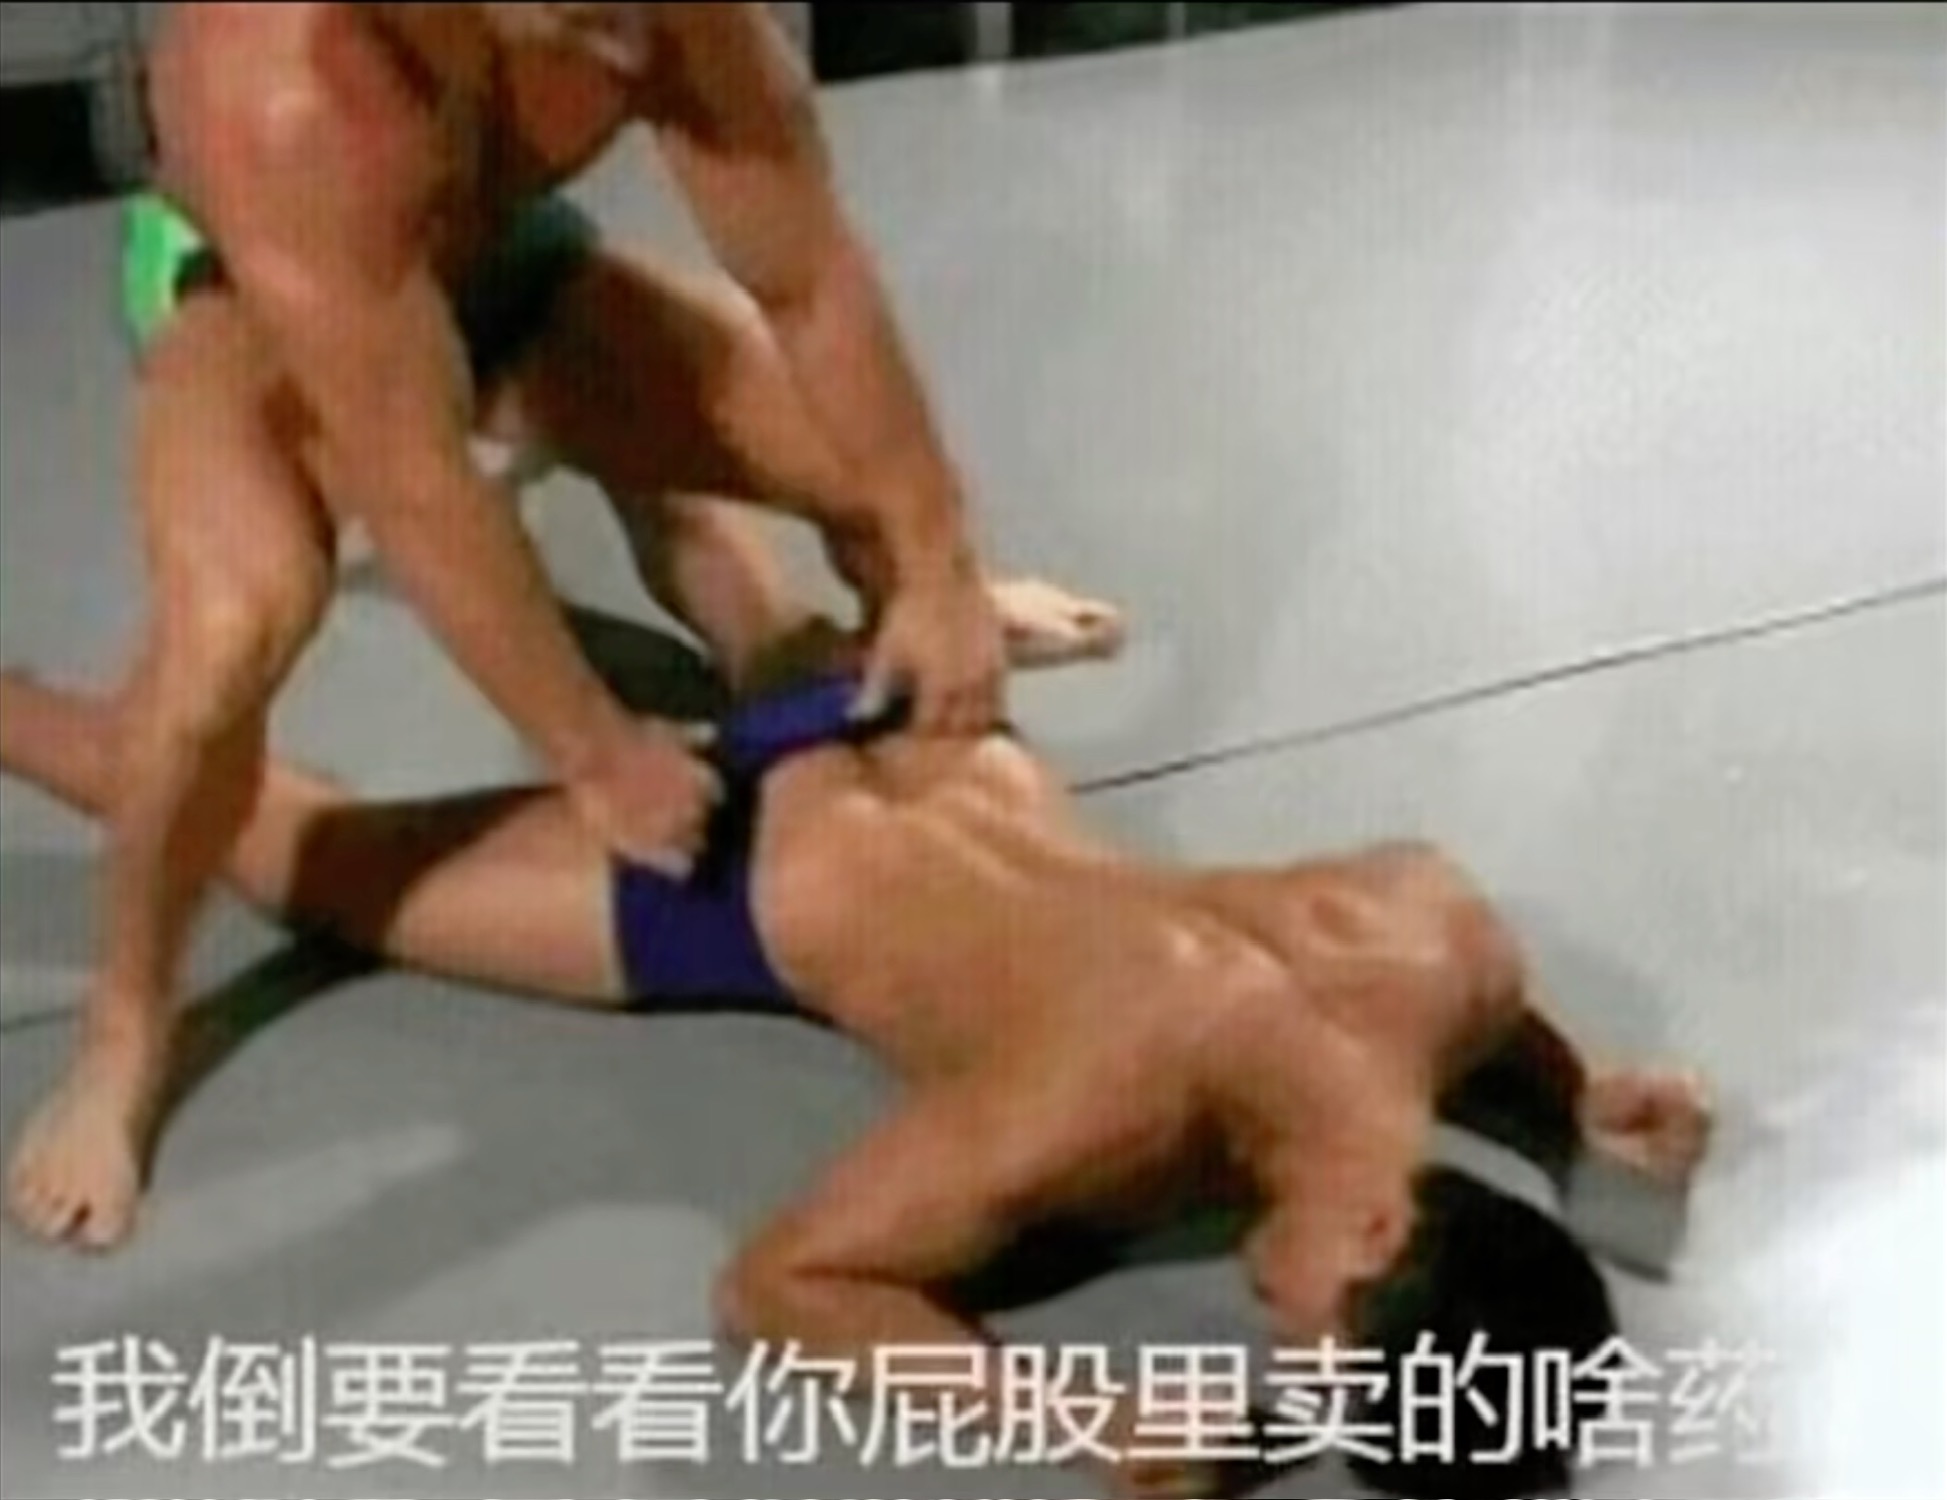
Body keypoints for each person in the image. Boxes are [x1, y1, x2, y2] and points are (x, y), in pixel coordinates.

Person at [0, 604, 1713, 1498]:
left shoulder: (1440, 949)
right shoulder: (1098, 1123)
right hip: (733, 877)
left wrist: (1575, 1095)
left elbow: (1492, 1025)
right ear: (1381, 1230)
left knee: (711, 541)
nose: (1273, 1336)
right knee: (290, 850)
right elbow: (782, 1284)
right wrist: (1068, 1409)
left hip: (928, 738)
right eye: (1316, 1344)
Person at [12, 2, 1033, 1252]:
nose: (624, 42)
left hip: (498, 251)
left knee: (868, 477)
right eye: (584, 14)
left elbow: (810, 277)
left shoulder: (665, 16)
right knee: (231, 636)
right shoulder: (271, 85)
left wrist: (939, 563)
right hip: (250, 292)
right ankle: (123, 1028)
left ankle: (757, 618)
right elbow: (417, 481)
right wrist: (595, 752)